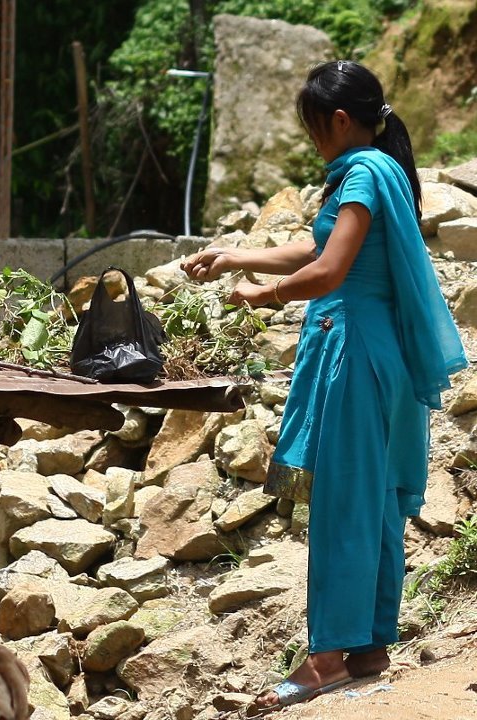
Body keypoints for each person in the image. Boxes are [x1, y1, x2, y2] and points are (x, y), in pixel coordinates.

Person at [182, 60, 468, 712]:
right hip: (384, 359)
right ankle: (368, 649)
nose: (312, 140)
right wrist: (234, 256)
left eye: (312, 128)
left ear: (338, 120)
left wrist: (264, 293)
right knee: (378, 503)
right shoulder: (382, 171)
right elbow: (322, 248)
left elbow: (328, 269)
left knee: (342, 502)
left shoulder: (362, 172)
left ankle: (323, 660)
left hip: (354, 358)